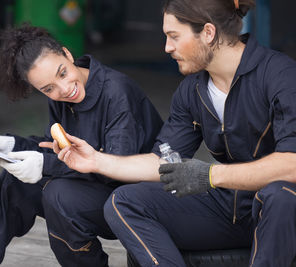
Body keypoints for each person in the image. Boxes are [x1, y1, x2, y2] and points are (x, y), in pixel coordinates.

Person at [50, 0, 296, 266]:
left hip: (280, 212)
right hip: (231, 207)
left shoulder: (280, 75)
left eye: (174, 36)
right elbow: (162, 162)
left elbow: (292, 164)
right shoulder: (192, 91)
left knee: (280, 196)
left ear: (208, 33)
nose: (167, 47)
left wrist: (210, 175)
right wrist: (96, 161)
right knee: (124, 201)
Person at [0, 23, 163, 267]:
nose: (64, 89)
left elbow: (113, 171)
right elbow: (57, 150)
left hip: (134, 199)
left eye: (62, 73)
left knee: (58, 195)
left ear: (68, 54)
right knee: (13, 181)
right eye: (48, 88)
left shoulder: (117, 92)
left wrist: (43, 164)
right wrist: (12, 145)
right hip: (98, 191)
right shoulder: (60, 98)